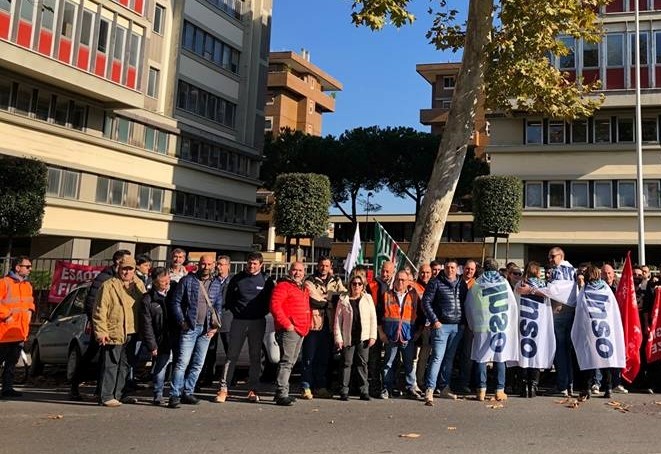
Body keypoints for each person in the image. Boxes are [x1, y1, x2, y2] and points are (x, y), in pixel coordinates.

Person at [70, 249, 131, 400]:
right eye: (126, 261)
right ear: (118, 262)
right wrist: (99, 327)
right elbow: (94, 303)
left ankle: (105, 391)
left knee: (110, 361)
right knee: (93, 356)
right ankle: (75, 386)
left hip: (119, 328)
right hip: (103, 327)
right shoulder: (104, 279)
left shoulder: (126, 280)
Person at [217, 252, 274, 403]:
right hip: (239, 321)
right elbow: (229, 299)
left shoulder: (267, 280)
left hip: (257, 321)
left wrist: (261, 313)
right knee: (231, 356)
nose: (251, 266)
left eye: (255, 263)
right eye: (249, 263)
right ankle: (224, 389)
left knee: (255, 357)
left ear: (261, 265)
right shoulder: (237, 279)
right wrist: (237, 312)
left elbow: (270, 301)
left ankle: (253, 390)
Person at [167, 255, 222, 408]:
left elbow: (218, 305)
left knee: (198, 364)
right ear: (198, 264)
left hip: (206, 329)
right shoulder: (187, 280)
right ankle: (174, 394)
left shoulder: (216, 283)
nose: (206, 267)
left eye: (209, 264)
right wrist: (182, 321)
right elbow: (175, 302)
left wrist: (215, 326)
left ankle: (188, 391)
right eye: (203, 264)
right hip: (190, 327)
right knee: (182, 362)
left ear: (213, 265)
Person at [92, 256, 146, 407]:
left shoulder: (138, 285)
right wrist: (101, 331)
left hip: (133, 331)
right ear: (118, 269)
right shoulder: (108, 286)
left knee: (126, 365)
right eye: (124, 269)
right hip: (114, 331)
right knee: (111, 365)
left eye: (130, 269)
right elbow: (99, 310)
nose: (127, 272)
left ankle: (120, 394)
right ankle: (106, 396)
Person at [465, 258, 518, 402]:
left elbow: (469, 305)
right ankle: (499, 390)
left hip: (482, 326)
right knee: (500, 358)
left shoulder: (477, 283)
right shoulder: (503, 283)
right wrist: (511, 323)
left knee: (481, 358)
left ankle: (481, 390)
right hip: (500, 325)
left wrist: (472, 324)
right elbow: (512, 304)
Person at [571, 265, 625, 401]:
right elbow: (613, 308)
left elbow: (580, 308)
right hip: (605, 328)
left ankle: (587, 388)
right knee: (606, 358)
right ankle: (608, 388)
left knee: (590, 358)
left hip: (590, 328)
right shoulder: (606, 289)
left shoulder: (586, 289)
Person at [421, 259, 468, 406]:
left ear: (457, 269)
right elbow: (426, 302)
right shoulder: (435, 282)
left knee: (449, 359)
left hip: (457, 326)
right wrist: (434, 320)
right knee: (437, 358)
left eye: (453, 267)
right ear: (443, 268)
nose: (450, 270)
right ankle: (430, 389)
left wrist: (463, 323)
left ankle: (444, 387)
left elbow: (466, 303)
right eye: (447, 267)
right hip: (441, 326)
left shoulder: (462, 284)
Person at [302, 256, 346, 399]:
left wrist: (328, 298)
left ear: (330, 267)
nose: (324, 268)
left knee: (324, 357)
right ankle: (306, 386)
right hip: (314, 324)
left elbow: (343, 296)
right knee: (309, 357)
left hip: (330, 325)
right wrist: (330, 299)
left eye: (327, 266)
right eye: (321, 265)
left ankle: (321, 386)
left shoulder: (336, 280)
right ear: (317, 266)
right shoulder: (310, 281)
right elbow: (313, 299)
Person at [270, 262, 311, 406]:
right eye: (295, 270)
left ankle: (280, 392)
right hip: (290, 330)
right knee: (287, 361)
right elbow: (275, 306)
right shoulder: (283, 286)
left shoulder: (303, 288)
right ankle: (282, 393)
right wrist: (287, 325)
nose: (297, 273)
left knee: (291, 362)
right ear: (289, 271)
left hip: (301, 329)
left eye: (300, 270)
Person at [378, 270, 423, 400]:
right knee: (388, 363)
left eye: (403, 280)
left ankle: (411, 388)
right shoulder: (386, 295)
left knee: (409, 363)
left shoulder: (413, 296)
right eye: (398, 279)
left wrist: (418, 332)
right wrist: (381, 333)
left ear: (408, 281)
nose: (400, 282)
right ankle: (387, 387)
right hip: (390, 335)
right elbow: (379, 315)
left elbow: (420, 315)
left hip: (408, 336)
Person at [515, 261, 555, 398]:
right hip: (539, 324)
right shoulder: (543, 286)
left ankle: (523, 385)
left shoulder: (519, 285)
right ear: (538, 272)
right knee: (537, 353)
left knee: (524, 353)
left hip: (524, 323)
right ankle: (533, 385)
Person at [334, 274, 377, 401]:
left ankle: (364, 391)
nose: (356, 286)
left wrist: (372, 336)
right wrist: (338, 338)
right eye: (354, 284)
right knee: (346, 364)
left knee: (362, 364)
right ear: (350, 285)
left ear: (363, 286)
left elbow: (373, 318)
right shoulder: (343, 299)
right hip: (348, 336)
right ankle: (344, 390)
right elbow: (337, 320)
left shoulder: (367, 298)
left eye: (359, 284)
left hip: (363, 337)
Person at [139, 267, 176, 405]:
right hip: (160, 338)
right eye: (163, 282)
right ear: (155, 282)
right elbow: (146, 325)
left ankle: (177, 392)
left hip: (175, 335)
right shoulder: (148, 300)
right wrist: (152, 345)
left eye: (168, 280)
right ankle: (158, 393)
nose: (167, 284)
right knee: (161, 365)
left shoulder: (174, 293)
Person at [0, 256, 35, 398]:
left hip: (20, 331)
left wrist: (30, 312)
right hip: (4, 331)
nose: (30, 269)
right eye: (27, 266)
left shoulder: (27, 286)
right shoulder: (4, 283)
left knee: (12, 363)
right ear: (17, 267)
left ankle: (7, 388)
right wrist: (7, 315)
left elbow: (30, 303)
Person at [198, 255, 233, 387]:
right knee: (209, 350)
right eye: (217, 264)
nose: (219, 267)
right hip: (211, 320)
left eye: (222, 264)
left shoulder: (232, 281)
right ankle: (207, 377)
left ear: (228, 266)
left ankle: (229, 377)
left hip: (227, 319)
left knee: (229, 350)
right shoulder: (212, 280)